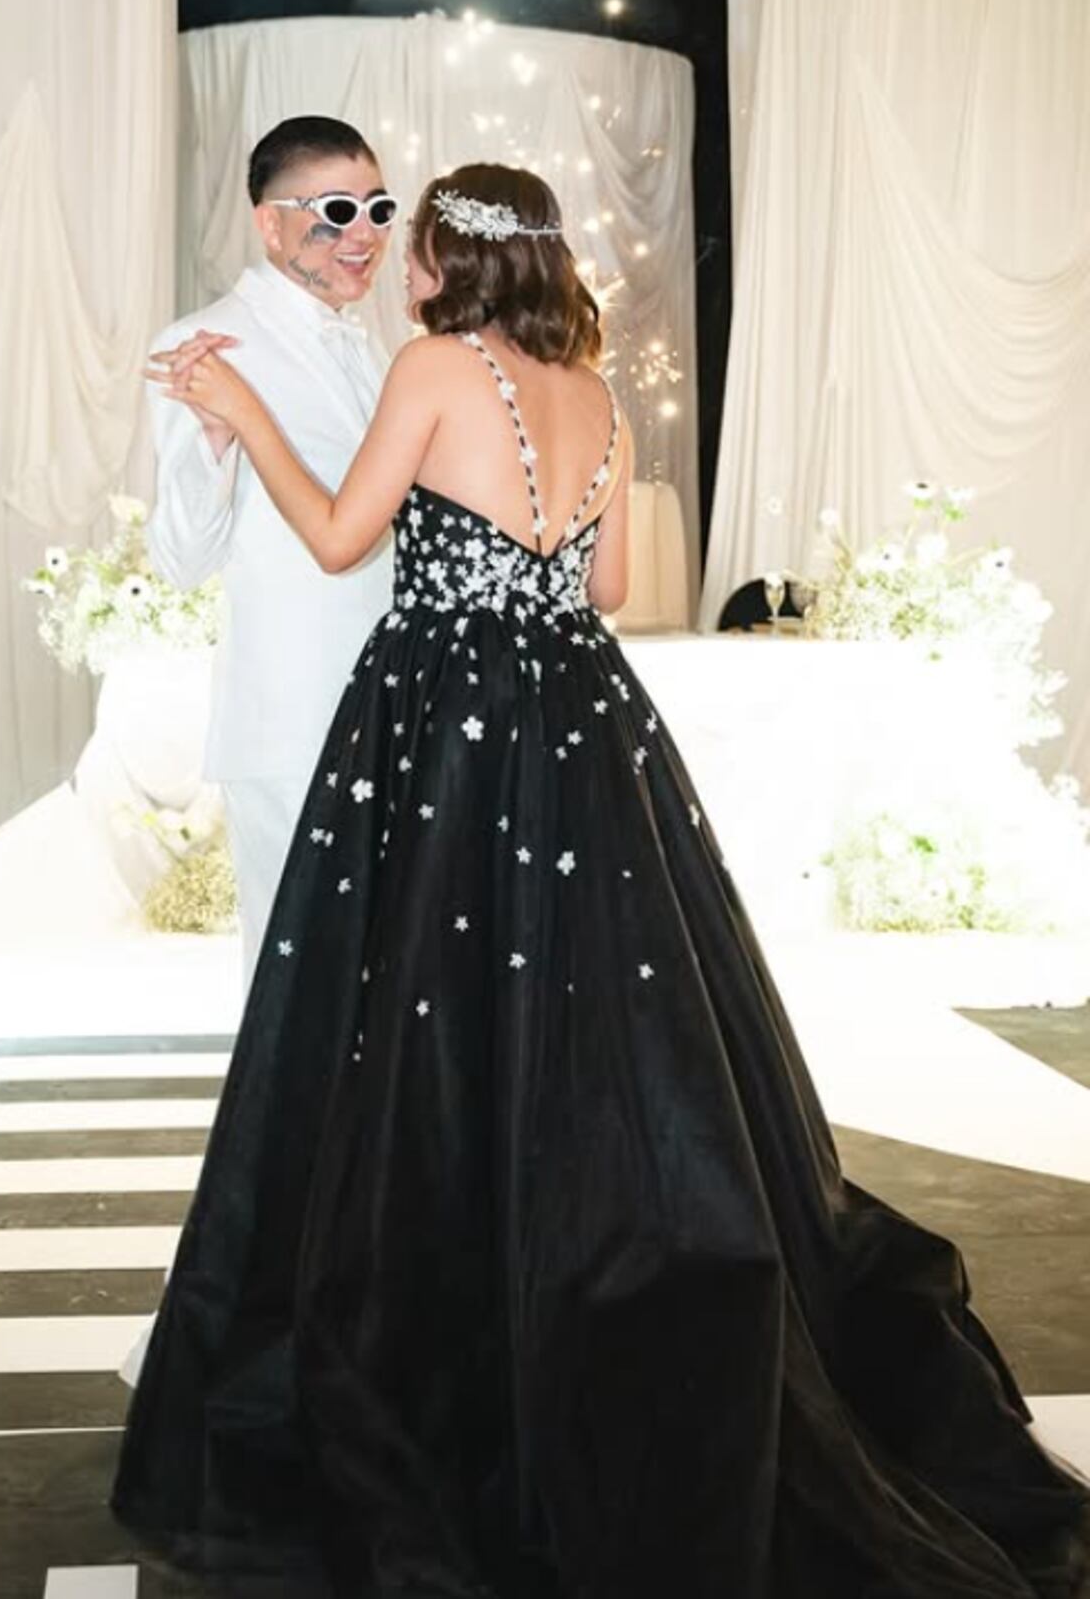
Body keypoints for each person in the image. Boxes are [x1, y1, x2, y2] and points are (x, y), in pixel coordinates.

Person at [113, 163, 1089, 1598]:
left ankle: (444, 1323)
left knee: (426, 1023)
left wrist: (242, 411)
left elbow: (336, 536)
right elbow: (609, 588)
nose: (403, 268)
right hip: (580, 720)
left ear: (451, 261)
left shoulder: (437, 367)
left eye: (415, 245)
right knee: (589, 1026)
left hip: (447, 724)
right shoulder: (601, 394)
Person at [146, 115, 397, 985]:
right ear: (270, 222)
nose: (364, 234)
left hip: (396, 707)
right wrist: (217, 440)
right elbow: (180, 559)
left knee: (383, 973)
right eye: (337, 211)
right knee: (302, 978)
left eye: (378, 209)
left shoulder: (376, 346)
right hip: (290, 714)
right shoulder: (204, 344)